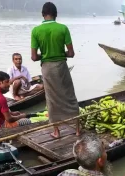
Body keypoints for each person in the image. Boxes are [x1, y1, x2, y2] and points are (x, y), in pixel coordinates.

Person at [31, 2, 80, 139]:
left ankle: (56, 132)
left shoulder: (36, 31)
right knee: (69, 95)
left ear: (42, 14)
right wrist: (59, 53)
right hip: (61, 67)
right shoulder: (63, 28)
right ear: (55, 14)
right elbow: (71, 53)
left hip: (47, 68)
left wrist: (46, 55)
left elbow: (34, 57)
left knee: (51, 99)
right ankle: (77, 129)